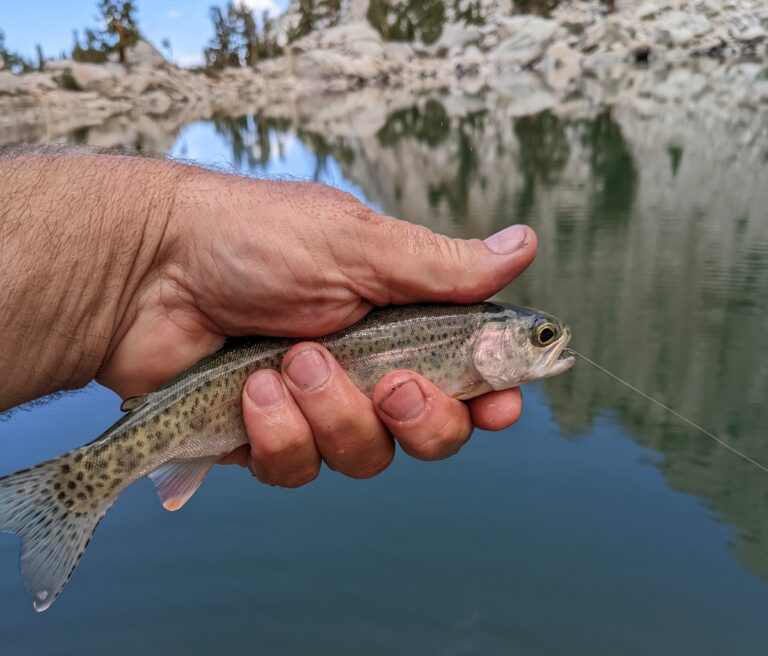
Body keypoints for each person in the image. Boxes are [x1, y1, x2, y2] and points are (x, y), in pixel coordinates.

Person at [0, 150, 537, 487]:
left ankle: (82, 481)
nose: (548, 342)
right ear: (493, 340)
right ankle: (79, 484)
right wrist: (148, 263)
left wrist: (143, 275)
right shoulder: (469, 338)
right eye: (541, 337)